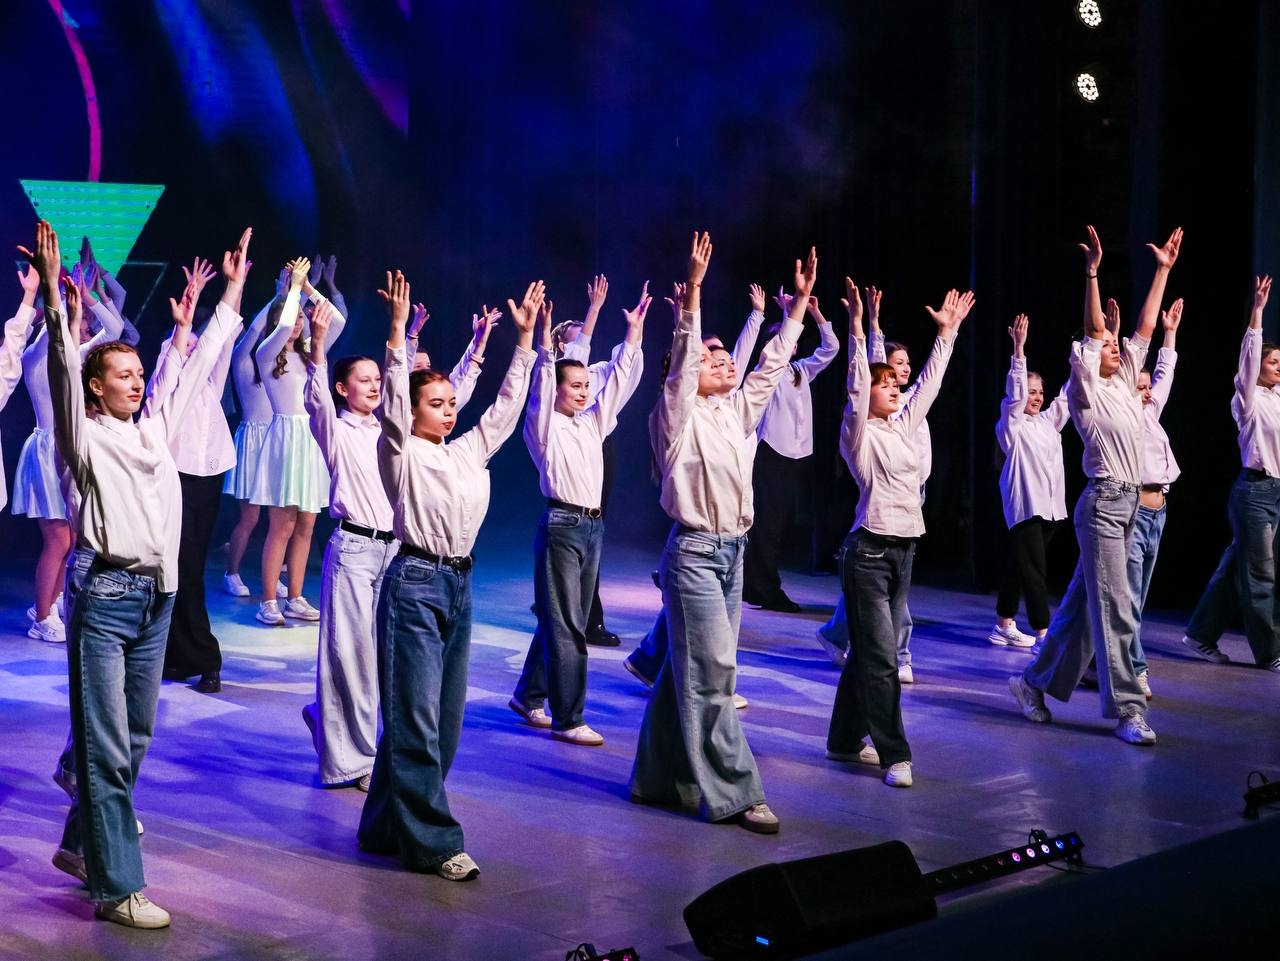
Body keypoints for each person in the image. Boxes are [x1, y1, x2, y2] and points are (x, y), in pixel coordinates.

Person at [33, 220, 251, 928]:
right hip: (103, 594)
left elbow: (196, 365)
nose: (135, 380)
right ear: (96, 390)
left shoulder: (155, 428)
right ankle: (118, 886)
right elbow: (63, 368)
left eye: (137, 372)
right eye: (121, 374)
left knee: (132, 738)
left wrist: (229, 296)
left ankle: (79, 844)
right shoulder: (83, 437)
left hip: (158, 598)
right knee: (106, 745)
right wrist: (57, 305)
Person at [629, 232, 815, 835]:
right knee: (714, 676)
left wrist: (795, 311)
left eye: (725, 358)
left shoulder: (736, 412)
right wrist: (694, 294)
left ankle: (657, 778)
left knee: (686, 671)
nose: (725, 362)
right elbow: (684, 363)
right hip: (693, 555)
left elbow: (770, 367)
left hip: (732, 553)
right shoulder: (673, 416)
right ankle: (736, 791)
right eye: (713, 360)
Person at [357, 270, 541, 881]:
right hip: (413, 582)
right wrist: (396, 335)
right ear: (412, 411)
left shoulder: (464, 452)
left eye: (450, 403)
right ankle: (434, 842)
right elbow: (391, 406)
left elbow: (505, 412)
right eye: (435, 404)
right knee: (415, 720)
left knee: (445, 721)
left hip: (459, 584)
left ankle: (381, 826)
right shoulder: (399, 450)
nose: (448, 411)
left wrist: (523, 343)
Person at [1010, 225, 1183, 744]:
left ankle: (1032, 683)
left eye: (1115, 344)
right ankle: (1128, 710)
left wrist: (1162, 271)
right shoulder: (1084, 387)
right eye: (1106, 344)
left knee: (1082, 611)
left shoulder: (1127, 384)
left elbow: (1146, 328)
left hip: (1131, 506)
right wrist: (1092, 273)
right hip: (1103, 503)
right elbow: (1091, 329)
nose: (1115, 346)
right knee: (1117, 610)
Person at [826, 280, 974, 788]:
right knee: (883, 658)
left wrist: (947, 335)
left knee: (870, 653)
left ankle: (843, 739)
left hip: (904, 551)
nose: (894, 387)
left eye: (895, 381)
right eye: (883, 382)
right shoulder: (858, 433)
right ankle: (895, 753)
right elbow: (854, 387)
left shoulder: (905, 426)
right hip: (867, 553)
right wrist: (856, 328)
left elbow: (929, 383)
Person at [510, 284, 647, 744]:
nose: (585, 392)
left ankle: (527, 694)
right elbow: (540, 388)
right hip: (562, 527)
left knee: (564, 617)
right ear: (557, 389)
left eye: (587, 386)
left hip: (593, 527)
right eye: (576, 386)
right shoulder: (543, 425)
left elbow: (621, 383)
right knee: (570, 626)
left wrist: (633, 334)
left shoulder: (593, 422)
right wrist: (545, 342)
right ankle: (569, 717)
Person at [298, 298, 396, 791]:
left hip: (394, 553)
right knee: (351, 656)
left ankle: (327, 718)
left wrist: (477, 350)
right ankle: (354, 761)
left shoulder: (391, 430)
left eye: (378, 378)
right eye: (364, 379)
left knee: (381, 657)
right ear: (343, 388)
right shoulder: (335, 429)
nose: (375, 385)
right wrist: (317, 346)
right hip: (354, 550)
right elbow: (315, 401)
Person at [14, 266, 123, 642]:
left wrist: (88, 295)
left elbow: (115, 330)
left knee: (73, 537)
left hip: (70, 449)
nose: (81, 325)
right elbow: (54, 324)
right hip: (46, 452)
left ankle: (50, 600)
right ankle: (42, 617)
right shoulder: (35, 355)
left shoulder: (73, 355)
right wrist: (58, 291)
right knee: (58, 539)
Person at [1181, 275, 1280, 672]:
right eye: (1273, 362)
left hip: (1274, 493)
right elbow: (1249, 360)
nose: (1278, 367)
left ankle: (1199, 634)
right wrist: (1257, 313)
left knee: (1235, 571)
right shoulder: (1248, 399)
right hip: (1253, 493)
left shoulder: (1277, 399)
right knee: (1261, 576)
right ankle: (1270, 652)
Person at [148, 257, 236, 694]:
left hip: (209, 477)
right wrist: (184, 323)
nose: (199, 347)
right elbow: (178, 360)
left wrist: (235, 284)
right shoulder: (167, 390)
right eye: (189, 344)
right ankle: (202, 657)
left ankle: (182, 656)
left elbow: (224, 338)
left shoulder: (211, 386)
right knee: (180, 569)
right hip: (176, 479)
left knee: (191, 567)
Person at [250, 258, 346, 625]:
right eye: (295, 317)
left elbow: (337, 320)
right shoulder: (266, 354)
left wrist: (306, 288)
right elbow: (285, 324)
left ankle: (295, 597)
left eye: (303, 317)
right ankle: (268, 600)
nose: (300, 321)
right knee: (282, 526)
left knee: (306, 525)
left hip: (312, 441)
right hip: (285, 441)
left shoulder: (310, 352)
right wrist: (291, 290)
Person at [741, 290, 840, 611]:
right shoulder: (764, 374)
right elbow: (777, 351)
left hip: (797, 457)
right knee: (767, 525)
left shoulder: (800, 371)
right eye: (782, 341)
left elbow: (831, 348)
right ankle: (764, 587)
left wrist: (814, 312)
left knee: (781, 524)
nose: (790, 345)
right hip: (771, 454)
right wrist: (788, 315)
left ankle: (755, 585)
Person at [990, 313, 1069, 648]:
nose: (1035, 397)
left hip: (1051, 509)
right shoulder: (1011, 425)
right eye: (1031, 392)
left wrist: (1089, 351)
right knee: (1035, 569)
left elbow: (1070, 395)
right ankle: (1043, 634)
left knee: (1019, 564)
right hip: (1026, 508)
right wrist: (1019, 350)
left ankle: (1003, 623)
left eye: (1040, 392)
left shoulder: (1049, 422)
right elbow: (1015, 396)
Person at [1119, 297, 1185, 696]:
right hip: (1136, 511)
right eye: (1139, 387)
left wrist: (1170, 334)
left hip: (1159, 513)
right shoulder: (1123, 420)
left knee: (1138, 597)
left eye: (1147, 388)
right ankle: (1135, 667)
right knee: (1128, 597)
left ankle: (1100, 661)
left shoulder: (1150, 413)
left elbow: (1166, 374)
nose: (1147, 393)